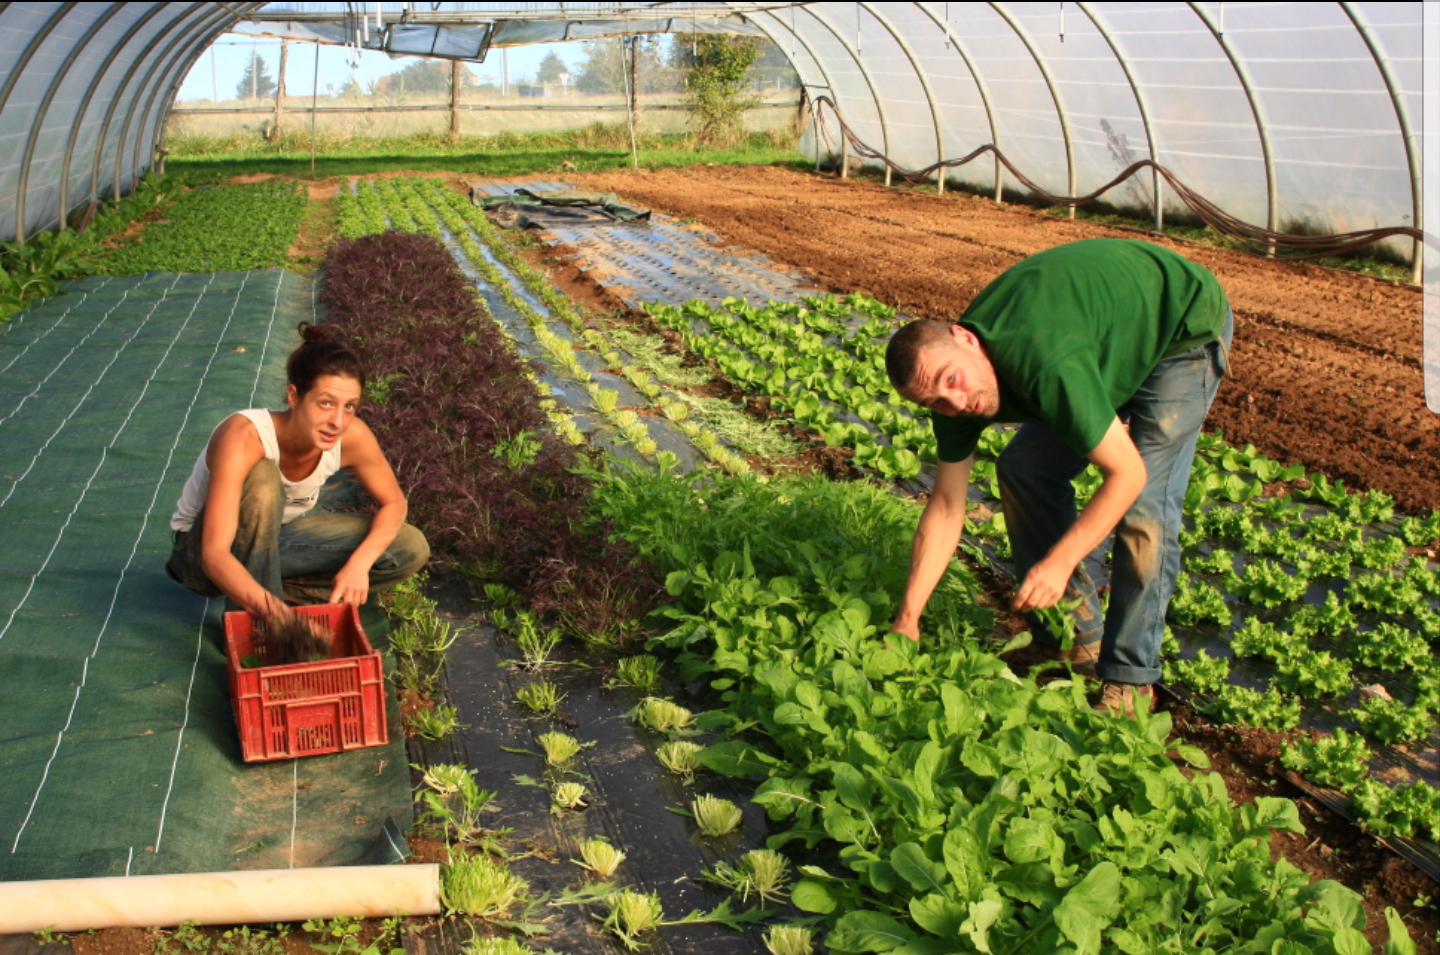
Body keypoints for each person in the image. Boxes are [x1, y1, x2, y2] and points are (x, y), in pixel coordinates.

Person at [884, 238, 1232, 716]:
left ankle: (1130, 679)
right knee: (1024, 469)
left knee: (1145, 504)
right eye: (936, 403)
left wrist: (1060, 561)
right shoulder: (948, 392)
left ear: (964, 337)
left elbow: (1126, 473)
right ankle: (1073, 636)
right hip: (1103, 341)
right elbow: (945, 506)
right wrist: (907, 619)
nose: (956, 405)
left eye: (952, 382)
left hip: (1177, 328)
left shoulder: (1043, 357)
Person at [166, 323, 429, 627]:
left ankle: (275, 598)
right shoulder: (244, 436)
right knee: (263, 476)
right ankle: (262, 625)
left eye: (350, 407)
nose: (337, 421)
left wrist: (359, 564)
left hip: (273, 544)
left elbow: (394, 503)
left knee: (409, 546)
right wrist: (281, 623)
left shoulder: (352, 437)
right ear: (294, 397)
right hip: (201, 556)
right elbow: (214, 554)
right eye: (325, 403)